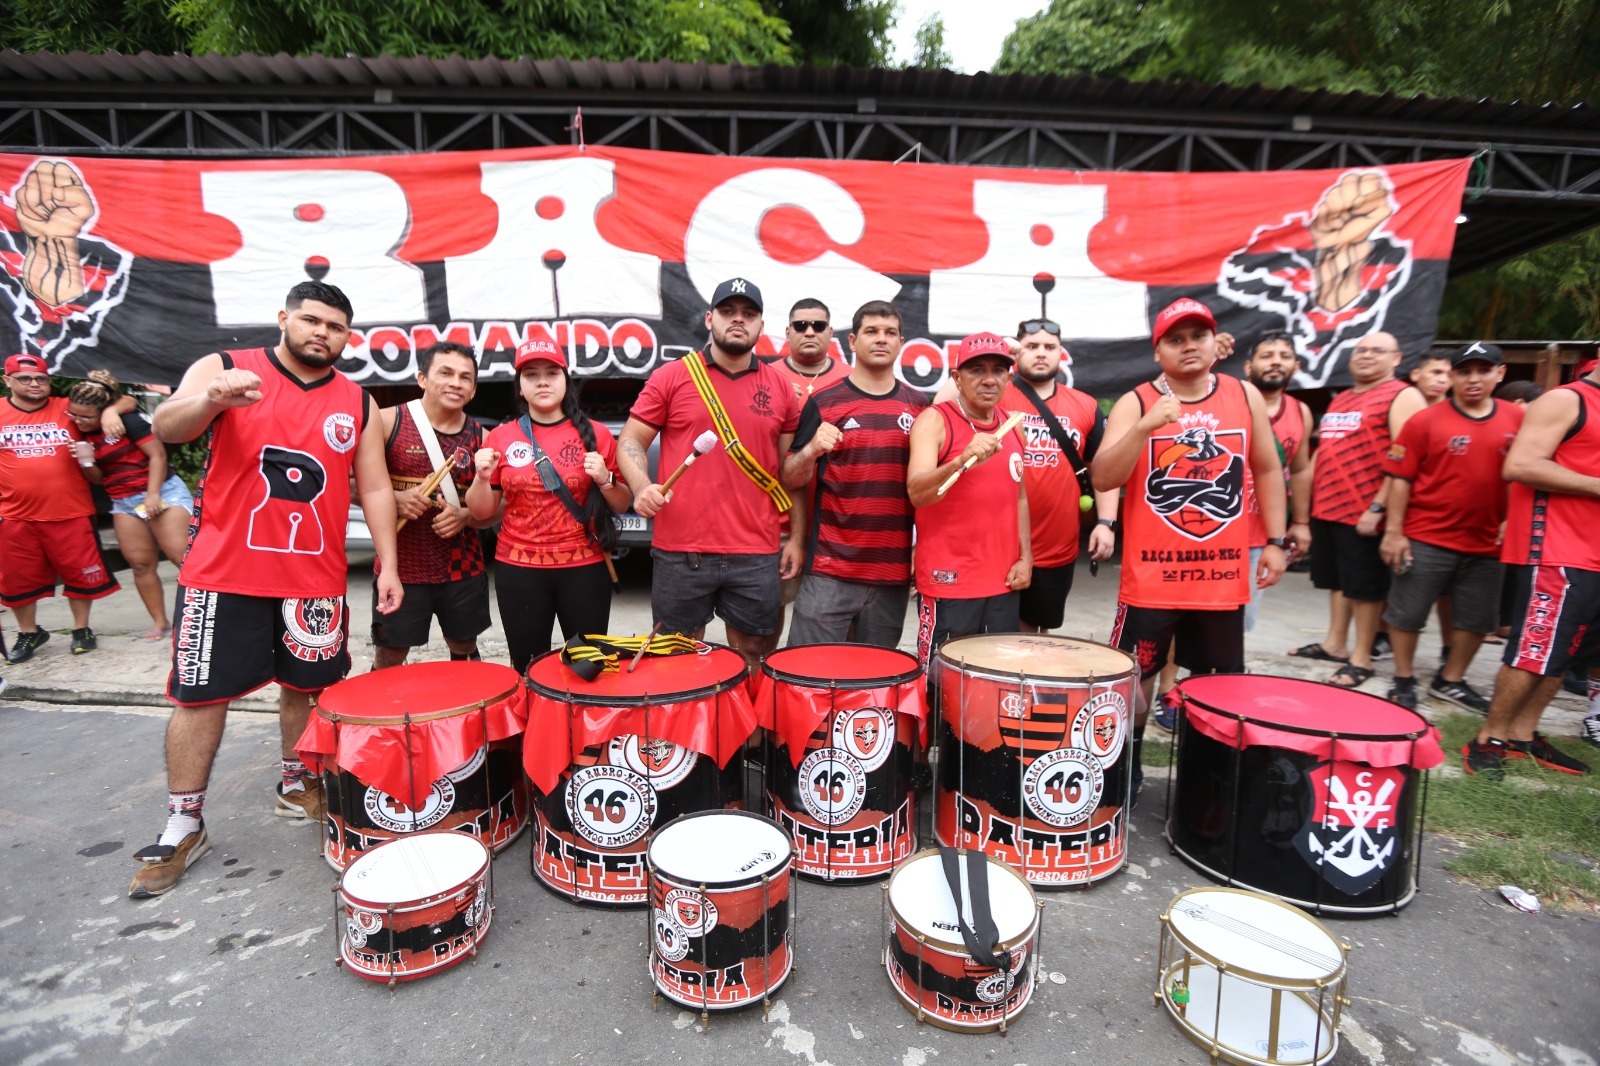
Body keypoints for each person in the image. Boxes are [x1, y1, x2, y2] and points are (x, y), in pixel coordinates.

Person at [128, 281, 403, 899]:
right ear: (284, 319)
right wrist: (209, 401)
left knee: (307, 690)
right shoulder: (228, 368)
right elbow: (167, 425)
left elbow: (377, 488)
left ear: (346, 337)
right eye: (310, 320)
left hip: (314, 579)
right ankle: (183, 822)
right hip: (222, 574)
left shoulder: (356, 401)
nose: (321, 333)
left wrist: (388, 565)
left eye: (335, 327)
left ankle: (293, 781)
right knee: (200, 699)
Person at [1092, 298, 1287, 799]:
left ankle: (1210, 775)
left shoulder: (1243, 395)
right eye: (1175, 340)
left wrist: (1276, 541)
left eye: (1197, 337)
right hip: (1150, 580)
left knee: (1220, 685)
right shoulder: (1137, 401)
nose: (1188, 347)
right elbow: (1104, 476)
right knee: (1135, 679)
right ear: (1159, 351)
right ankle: (1125, 765)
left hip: (1221, 580)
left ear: (1214, 344)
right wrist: (1143, 427)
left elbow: (1266, 469)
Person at [618, 278, 802, 662]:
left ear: (761, 326)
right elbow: (630, 440)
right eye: (728, 312)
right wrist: (641, 486)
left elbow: (791, 475)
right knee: (677, 658)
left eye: (749, 314)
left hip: (756, 549)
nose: (738, 320)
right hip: (681, 549)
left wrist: (797, 538)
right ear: (709, 319)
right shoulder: (672, 376)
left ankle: (749, 725)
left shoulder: (782, 388)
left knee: (755, 652)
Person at [1461, 357, 1598, 778]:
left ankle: (1522, 735)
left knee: (1565, 653)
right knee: (1534, 651)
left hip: (1591, 551)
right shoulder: (1567, 399)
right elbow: (1520, 464)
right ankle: (1489, 738)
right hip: (1557, 546)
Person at [466, 340, 632, 674]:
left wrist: (604, 479)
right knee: (527, 668)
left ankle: (583, 727)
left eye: (551, 373)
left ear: (565, 380)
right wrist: (481, 478)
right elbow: (482, 512)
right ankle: (535, 728)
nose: (542, 381)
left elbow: (623, 503)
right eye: (532, 374)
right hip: (519, 570)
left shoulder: (597, 434)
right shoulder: (500, 437)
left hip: (584, 569)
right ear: (520, 386)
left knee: (588, 668)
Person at [1378, 344, 1522, 711]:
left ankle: (1451, 679)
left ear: (1500, 374)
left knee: (1477, 620)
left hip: (1489, 542)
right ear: (1452, 376)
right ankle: (1404, 677)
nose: (1473, 379)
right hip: (1425, 537)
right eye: (1464, 371)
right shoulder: (1423, 421)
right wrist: (1394, 533)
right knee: (1406, 613)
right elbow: (1400, 478)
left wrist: (1514, 519)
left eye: (1483, 371)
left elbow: (1526, 474)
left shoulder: (1517, 420)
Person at [782, 300, 926, 647]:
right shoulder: (826, 402)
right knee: (807, 674)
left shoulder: (919, 405)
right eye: (871, 331)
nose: (881, 339)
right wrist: (812, 449)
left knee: (873, 684)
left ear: (901, 342)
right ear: (851, 341)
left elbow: (925, 491)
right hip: (830, 570)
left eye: (890, 333)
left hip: (890, 575)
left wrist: (920, 553)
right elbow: (790, 478)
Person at [1292, 331, 1427, 687]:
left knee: (1365, 588)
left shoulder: (1403, 394)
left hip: (1365, 510)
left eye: (1377, 351)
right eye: (1361, 350)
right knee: (1338, 582)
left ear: (1396, 358)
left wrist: (1379, 506)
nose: (1366, 355)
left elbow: (1405, 455)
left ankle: (1362, 658)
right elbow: (1326, 449)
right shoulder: (1344, 398)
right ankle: (1335, 644)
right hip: (1329, 508)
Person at [907, 332, 1030, 669]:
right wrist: (961, 459)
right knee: (941, 680)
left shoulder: (1012, 425)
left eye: (998, 370)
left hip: (1003, 581)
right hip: (950, 582)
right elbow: (917, 492)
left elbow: (1019, 496)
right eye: (976, 370)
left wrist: (1026, 557)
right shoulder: (935, 420)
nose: (989, 379)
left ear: (1009, 377)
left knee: (995, 679)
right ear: (957, 379)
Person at [373, 341, 491, 669]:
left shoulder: (484, 436)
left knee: (464, 649)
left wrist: (466, 516)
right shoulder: (386, 421)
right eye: (446, 373)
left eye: (465, 377)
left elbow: (500, 505)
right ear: (422, 378)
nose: (456, 382)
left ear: (473, 389)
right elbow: (355, 486)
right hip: (400, 567)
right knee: (390, 655)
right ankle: (385, 720)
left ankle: (465, 718)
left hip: (463, 567)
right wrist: (393, 500)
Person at [1, 352, 121, 662]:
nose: (35, 383)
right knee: (17, 580)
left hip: (70, 511)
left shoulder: (67, 408)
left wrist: (112, 413)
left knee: (81, 576)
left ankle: (81, 629)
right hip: (15, 515)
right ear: (7, 381)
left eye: (41, 378)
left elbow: (123, 402)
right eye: (25, 378)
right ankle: (30, 632)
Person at [1002, 319, 1118, 633]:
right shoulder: (994, 393)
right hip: (997, 545)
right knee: (992, 635)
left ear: (1061, 354)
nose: (1041, 353)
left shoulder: (1086, 405)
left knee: (1036, 635)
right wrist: (1000, 350)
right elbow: (947, 401)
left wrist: (1106, 523)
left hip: (1055, 548)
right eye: (1031, 346)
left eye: (1049, 347)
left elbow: (1104, 471)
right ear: (1016, 351)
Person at [65, 370, 194, 642]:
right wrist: (86, 462)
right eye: (74, 415)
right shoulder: (82, 433)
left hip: (162, 492)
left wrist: (152, 495)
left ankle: (203, 619)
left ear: (105, 410)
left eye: (87, 416)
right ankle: (160, 621)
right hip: (122, 501)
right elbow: (99, 479)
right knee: (139, 564)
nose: (79, 421)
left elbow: (158, 455)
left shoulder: (127, 421)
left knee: (183, 559)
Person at [769, 298, 851, 638]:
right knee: (766, 620)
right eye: (801, 325)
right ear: (787, 332)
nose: (809, 331)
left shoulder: (851, 378)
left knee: (830, 622)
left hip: (837, 525)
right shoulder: (768, 376)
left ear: (830, 332)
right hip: (779, 522)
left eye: (818, 326)